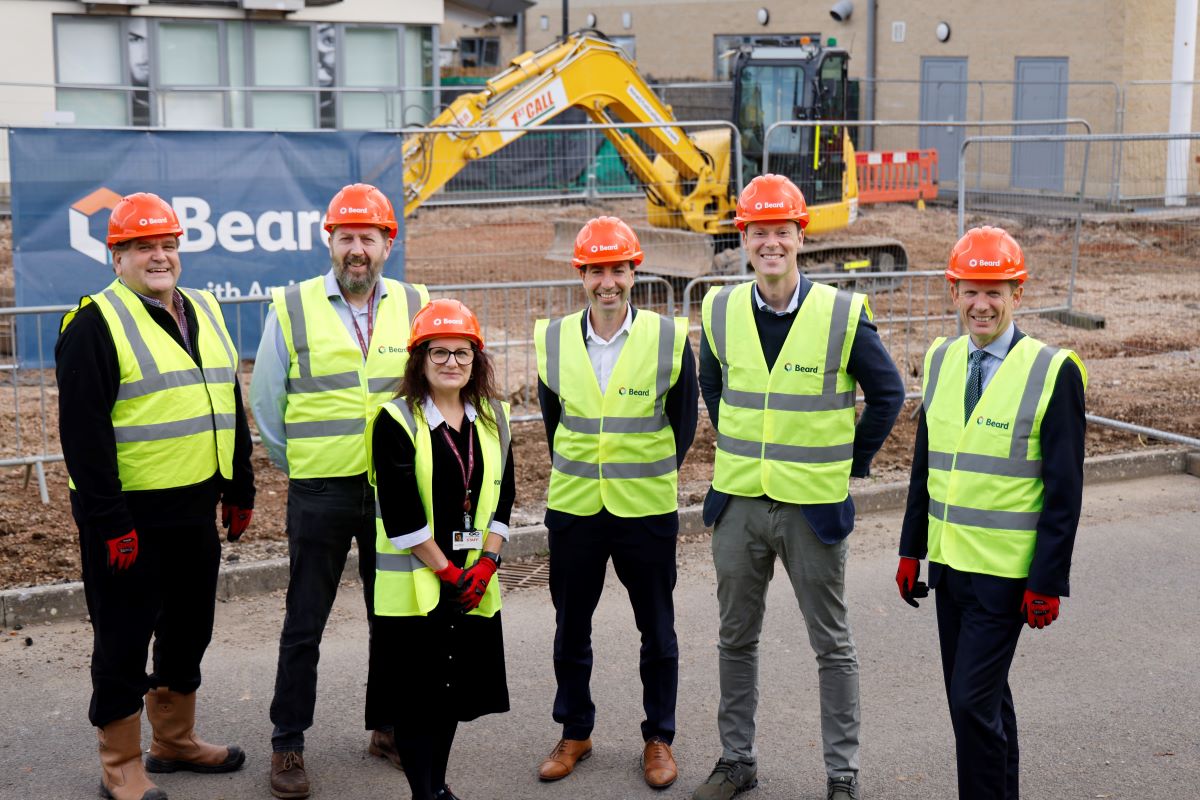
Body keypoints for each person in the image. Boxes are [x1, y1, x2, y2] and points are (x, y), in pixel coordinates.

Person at [694, 174, 905, 800]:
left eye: (780, 231)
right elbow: (714, 386)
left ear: (799, 236)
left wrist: (850, 462)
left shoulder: (841, 312)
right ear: (744, 238)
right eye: (758, 231)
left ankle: (843, 777)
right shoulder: (719, 308)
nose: (770, 242)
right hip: (737, 505)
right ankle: (737, 762)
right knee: (735, 638)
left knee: (831, 645)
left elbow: (888, 393)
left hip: (812, 509)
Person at [56, 192, 255, 800]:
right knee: (122, 636)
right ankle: (120, 765)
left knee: (189, 627)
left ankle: (173, 740)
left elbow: (227, 397)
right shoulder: (93, 323)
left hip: (194, 506)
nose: (160, 256)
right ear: (116, 256)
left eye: (169, 245)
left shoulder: (204, 310)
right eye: (145, 247)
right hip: (128, 516)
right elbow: (83, 437)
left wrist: (240, 480)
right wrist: (110, 521)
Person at [249, 183, 429, 799]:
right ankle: (288, 744)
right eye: (346, 237)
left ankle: (389, 730)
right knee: (305, 622)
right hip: (321, 489)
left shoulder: (415, 301)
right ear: (330, 241)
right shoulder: (294, 306)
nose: (357, 249)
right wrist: (300, 461)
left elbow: (432, 393)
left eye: (368, 238)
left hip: (394, 493)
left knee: (394, 618)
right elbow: (268, 405)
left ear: (388, 243)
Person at [895, 226, 1086, 800]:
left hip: (1007, 577)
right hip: (950, 569)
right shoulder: (942, 358)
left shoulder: (1053, 371)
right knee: (985, 698)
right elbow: (925, 466)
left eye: (995, 291)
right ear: (953, 291)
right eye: (971, 290)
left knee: (970, 704)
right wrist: (912, 548)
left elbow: (1064, 490)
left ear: (1018, 294)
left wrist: (1048, 580)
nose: (982, 304)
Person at [533, 216, 698, 789]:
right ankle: (575, 730)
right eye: (596, 270)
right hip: (575, 508)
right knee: (570, 628)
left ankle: (659, 739)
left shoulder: (668, 337)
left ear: (635, 271)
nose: (608, 281)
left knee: (657, 630)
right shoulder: (551, 340)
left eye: (618, 269)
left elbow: (682, 426)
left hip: (646, 510)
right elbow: (555, 424)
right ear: (582, 275)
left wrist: (643, 476)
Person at [365, 299, 515, 800]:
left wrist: (488, 562)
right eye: (439, 353)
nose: (451, 363)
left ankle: (439, 787)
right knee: (417, 702)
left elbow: (505, 497)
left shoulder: (494, 418)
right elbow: (402, 515)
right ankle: (423, 793)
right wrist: (450, 573)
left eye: (462, 353)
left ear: (476, 360)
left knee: (451, 697)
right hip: (419, 588)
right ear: (419, 360)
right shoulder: (396, 421)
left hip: (472, 584)